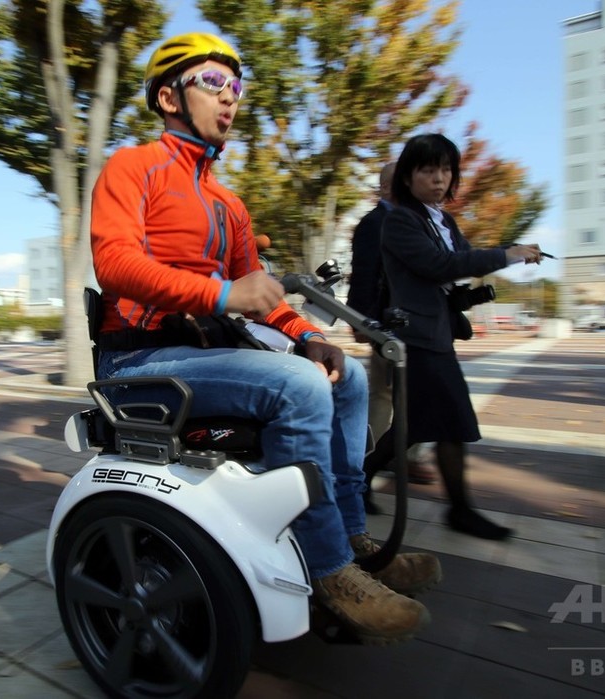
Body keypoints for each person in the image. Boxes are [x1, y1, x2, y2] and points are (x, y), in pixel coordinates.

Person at [90, 32, 441, 644]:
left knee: (347, 375)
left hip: (204, 352)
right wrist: (224, 296)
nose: (231, 99)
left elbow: (264, 297)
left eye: (237, 87)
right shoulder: (133, 166)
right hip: (139, 358)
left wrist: (308, 336)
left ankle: (351, 539)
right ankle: (331, 572)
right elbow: (114, 266)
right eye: (213, 83)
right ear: (170, 96)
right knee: (300, 387)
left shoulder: (229, 203)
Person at [369, 133, 544, 541]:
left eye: (446, 170)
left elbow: (462, 261)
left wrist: (509, 249)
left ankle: (359, 481)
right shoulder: (399, 219)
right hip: (416, 337)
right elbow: (439, 265)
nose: (439, 179)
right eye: (428, 170)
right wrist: (509, 254)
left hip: (438, 332)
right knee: (453, 421)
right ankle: (460, 510)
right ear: (408, 177)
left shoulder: (442, 220)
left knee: (413, 427)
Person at [346, 161, 436, 512]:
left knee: (409, 398)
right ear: (385, 188)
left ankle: (396, 458)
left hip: (417, 325)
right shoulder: (374, 224)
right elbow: (363, 275)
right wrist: (360, 320)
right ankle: (365, 470)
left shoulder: (413, 222)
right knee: (385, 398)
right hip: (390, 325)